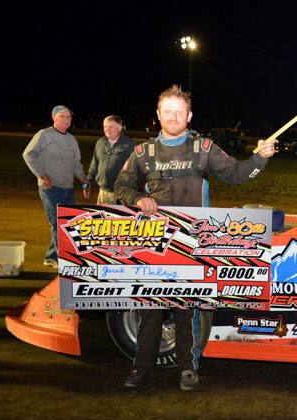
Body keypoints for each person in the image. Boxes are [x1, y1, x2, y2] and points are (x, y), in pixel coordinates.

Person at [115, 85, 276, 391]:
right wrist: (137, 198)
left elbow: (237, 174)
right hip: (154, 245)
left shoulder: (204, 148)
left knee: (188, 308)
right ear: (158, 115)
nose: (173, 117)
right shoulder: (141, 153)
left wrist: (260, 158)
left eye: (179, 112)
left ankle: (188, 369)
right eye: (167, 112)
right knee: (149, 308)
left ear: (189, 115)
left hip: (193, 244)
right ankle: (141, 367)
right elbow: (120, 185)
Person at [22, 105, 90, 268]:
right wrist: (42, 175)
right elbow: (28, 154)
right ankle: (60, 258)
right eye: (62, 117)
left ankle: (51, 256)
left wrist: (83, 179)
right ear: (54, 117)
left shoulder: (71, 139)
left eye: (69, 117)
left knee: (67, 223)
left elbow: (75, 163)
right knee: (58, 223)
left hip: (68, 188)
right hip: (50, 188)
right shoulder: (44, 135)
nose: (66, 120)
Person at [87, 115, 136, 204]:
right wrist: (89, 182)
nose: (107, 129)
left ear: (119, 128)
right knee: (101, 217)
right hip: (103, 192)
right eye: (105, 126)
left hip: (121, 193)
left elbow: (136, 170)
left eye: (110, 127)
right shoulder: (100, 143)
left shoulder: (130, 145)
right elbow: (94, 164)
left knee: (119, 218)